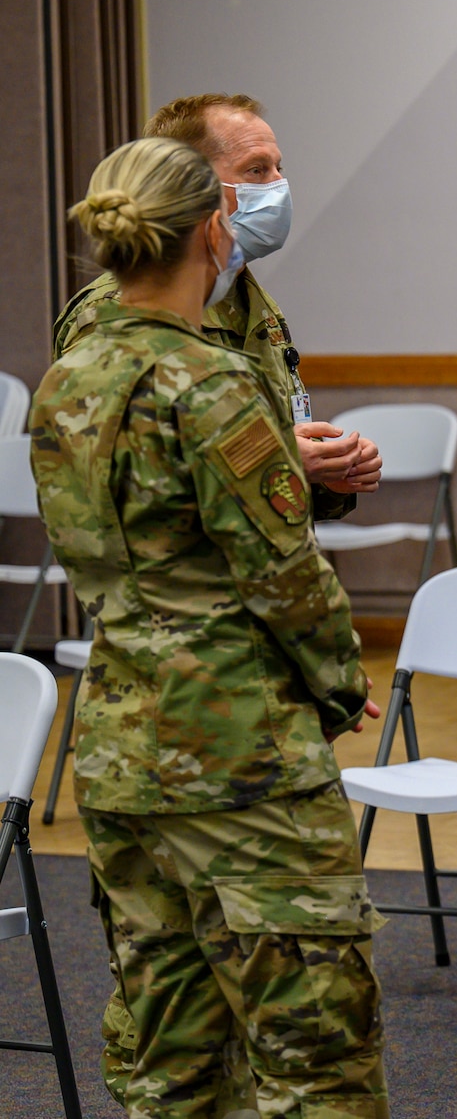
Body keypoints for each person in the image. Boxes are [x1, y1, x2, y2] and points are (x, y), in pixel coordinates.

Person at [28, 136, 388, 1118]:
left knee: (169, 1051)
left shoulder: (66, 379)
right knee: (315, 1050)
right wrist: (339, 686)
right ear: (211, 229)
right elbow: (282, 574)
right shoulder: (212, 385)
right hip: (241, 760)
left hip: (118, 745)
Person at [54, 93, 382, 521]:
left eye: (279, 169)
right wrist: (271, 458)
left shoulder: (247, 301)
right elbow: (99, 487)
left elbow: (254, 467)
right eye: (256, 170)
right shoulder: (115, 314)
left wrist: (325, 476)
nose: (278, 185)